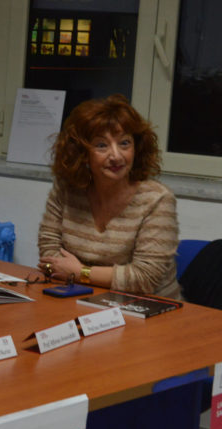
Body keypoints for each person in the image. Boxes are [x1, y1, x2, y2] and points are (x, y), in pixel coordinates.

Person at [38, 94, 180, 298]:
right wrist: (79, 276)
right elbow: (49, 255)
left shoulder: (156, 199)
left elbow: (145, 278)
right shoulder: (66, 190)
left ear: (136, 148)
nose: (116, 156)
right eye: (101, 145)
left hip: (151, 308)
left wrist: (80, 273)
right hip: (83, 298)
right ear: (82, 153)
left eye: (124, 143)